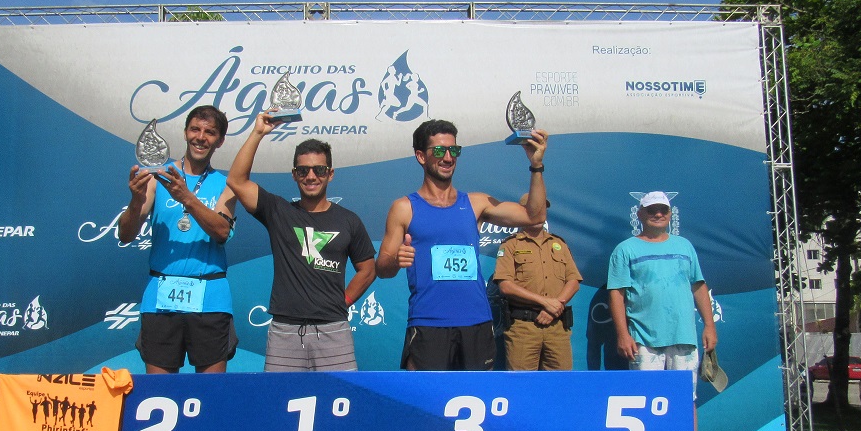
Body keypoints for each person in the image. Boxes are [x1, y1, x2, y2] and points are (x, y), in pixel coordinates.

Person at [376, 119, 548, 370]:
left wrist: (536, 166)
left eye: (453, 150)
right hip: (428, 323)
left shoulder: (477, 203)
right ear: (421, 156)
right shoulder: (404, 208)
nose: (448, 157)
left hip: (476, 322)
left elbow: (535, 216)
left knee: (477, 400)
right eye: (439, 151)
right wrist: (396, 259)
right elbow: (382, 268)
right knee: (426, 403)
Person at [227, 112, 376, 371]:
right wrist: (258, 133)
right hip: (285, 333)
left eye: (318, 169)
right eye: (303, 170)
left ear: (330, 174)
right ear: (294, 175)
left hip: (334, 331)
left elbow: (368, 268)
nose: (311, 176)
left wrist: (345, 301)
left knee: (339, 404)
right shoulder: (278, 211)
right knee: (278, 406)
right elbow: (237, 181)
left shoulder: (349, 220)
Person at [607, 191, 722, 431]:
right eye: (652, 210)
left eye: (663, 210)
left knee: (686, 399)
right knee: (645, 398)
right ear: (640, 214)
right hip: (644, 340)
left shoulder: (685, 246)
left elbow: (699, 286)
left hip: (684, 336)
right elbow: (617, 294)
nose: (658, 214)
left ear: (670, 214)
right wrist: (623, 334)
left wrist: (709, 325)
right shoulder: (625, 250)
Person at [118, 105, 238, 374]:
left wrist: (187, 198)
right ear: (185, 133)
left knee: (209, 396)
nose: (200, 137)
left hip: (210, 297)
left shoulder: (227, 183)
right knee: (159, 393)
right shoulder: (157, 176)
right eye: (195, 129)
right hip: (161, 297)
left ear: (219, 141)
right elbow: (125, 234)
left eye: (210, 132)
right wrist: (136, 202)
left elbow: (221, 232)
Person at [493, 198, 582, 370]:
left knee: (560, 383)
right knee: (522, 384)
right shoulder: (511, 245)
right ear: (522, 212)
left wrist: (555, 306)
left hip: (557, 326)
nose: (539, 213)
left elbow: (574, 280)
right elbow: (505, 286)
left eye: (542, 209)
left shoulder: (559, 244)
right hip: (524, 328)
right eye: (533, 209)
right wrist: (545, 302)